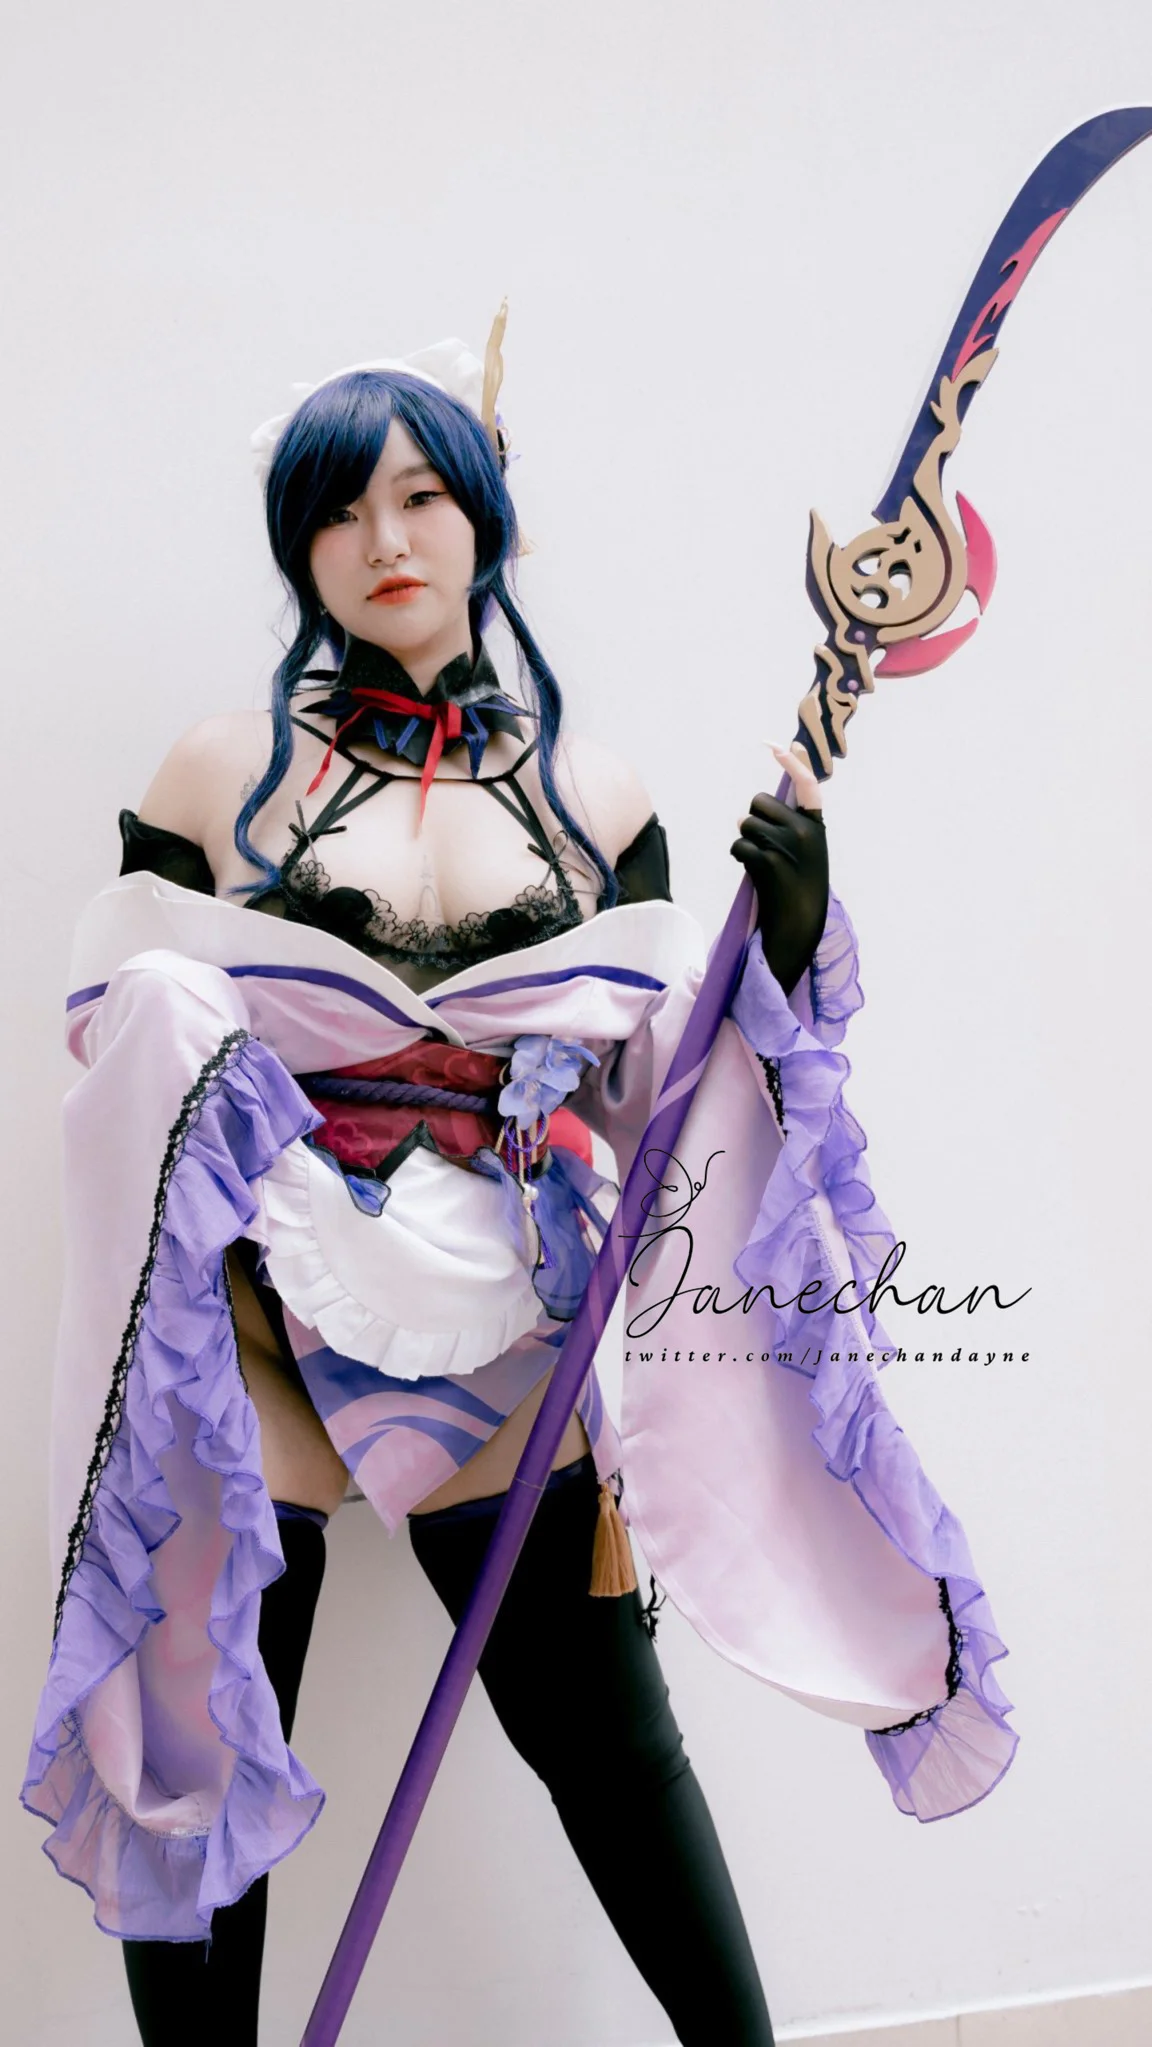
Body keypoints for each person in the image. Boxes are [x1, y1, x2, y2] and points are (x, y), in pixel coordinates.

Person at [21, 323, 1016, 2046]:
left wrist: (781, 943)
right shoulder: (216, 773)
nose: (383, 540)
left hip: (499, 1309)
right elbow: (123, 1032)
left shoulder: (590, 797)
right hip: (257, 1314)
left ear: (486, 516)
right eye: (337, 511)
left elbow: (661, 1078)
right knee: (191, 1735)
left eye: (419, 496)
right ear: (299, 551)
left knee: (610, 1741)